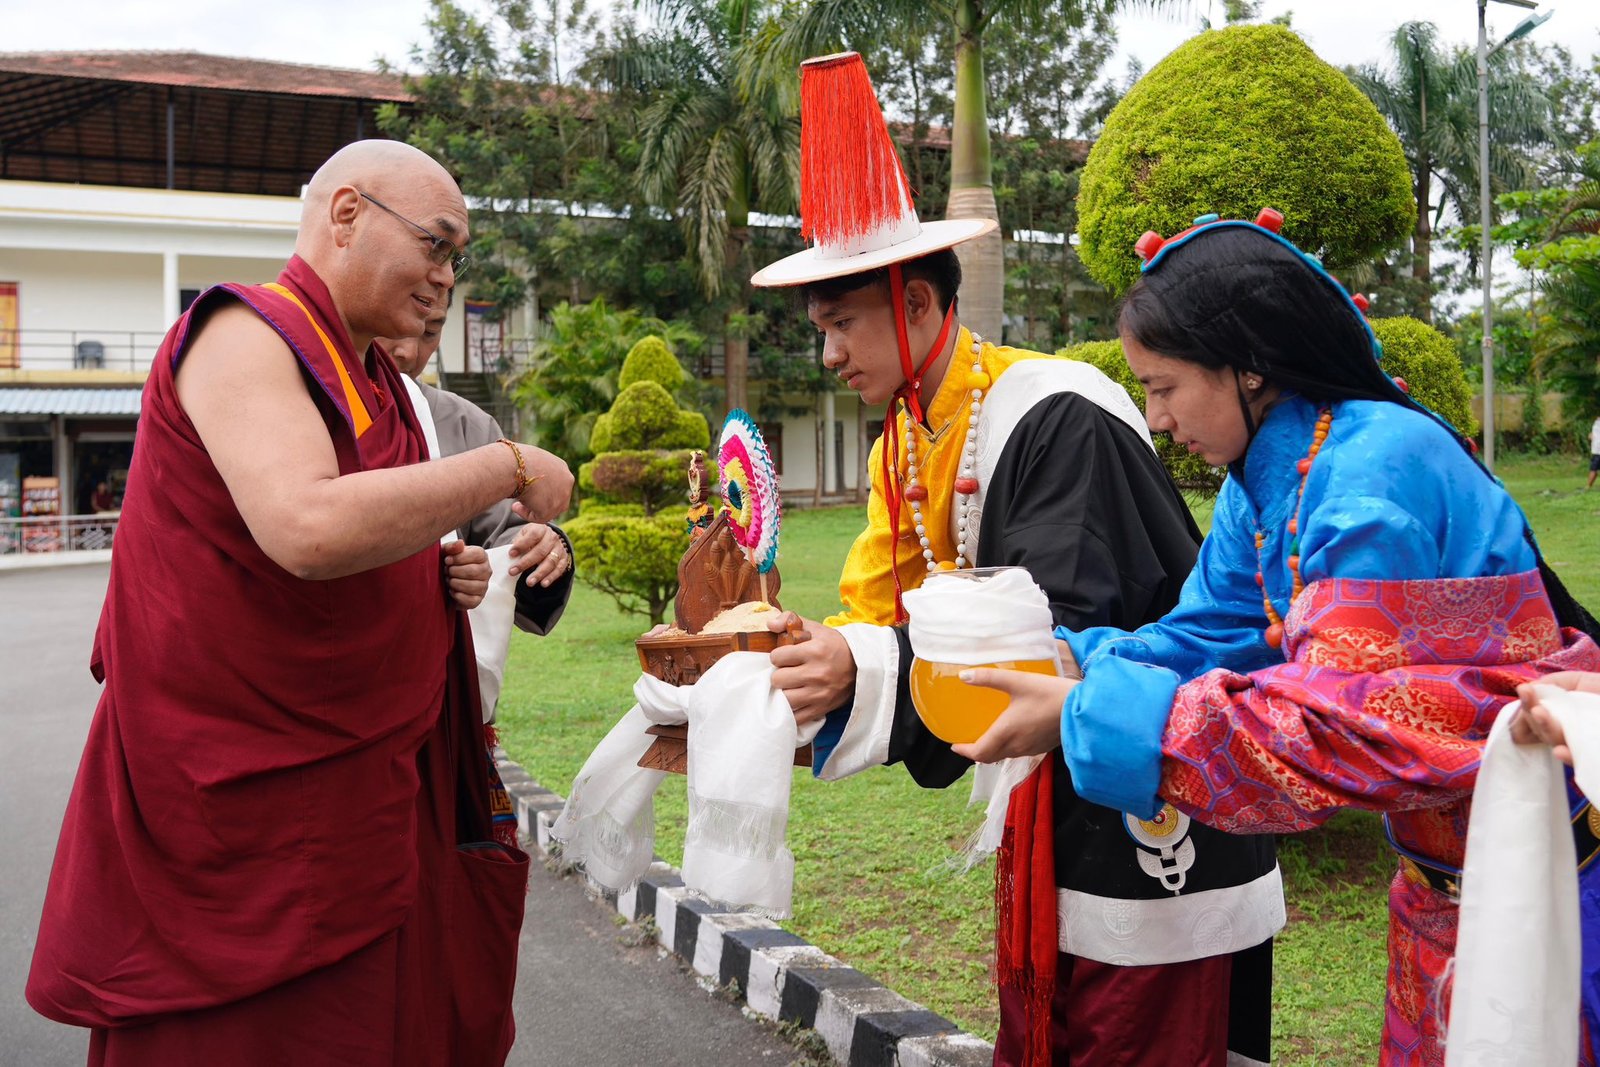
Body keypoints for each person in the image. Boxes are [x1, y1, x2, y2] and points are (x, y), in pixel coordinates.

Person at [955, 210, 1600, 1065]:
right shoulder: (1264, 484)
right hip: (1444, 887)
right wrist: (1070, 658)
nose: (1153, 418)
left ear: (1248, 368)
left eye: (1164, 386)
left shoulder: (1374, 472)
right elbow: (1204, 635)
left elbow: (1340, 734)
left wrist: (1089, 714)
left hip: (1555, 885)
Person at [754, 53, 1279, 1067]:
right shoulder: (901, 442)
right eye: (819, 329)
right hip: (1051, 784)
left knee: (1136, 1036)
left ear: (916, 306)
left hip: (1142, 785)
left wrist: (866, 670)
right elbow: (876, 611)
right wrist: (803, 673)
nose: (827, 355)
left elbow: (1057, 625)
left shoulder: (1054, 416)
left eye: (840, 324)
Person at [25, 139, 574, 1067]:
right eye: (436, 246)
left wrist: (438, 578)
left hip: (365, 802)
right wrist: (506, 463)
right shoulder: (243, 334)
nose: (446, 278)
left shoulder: (374, 384)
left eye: (455, 257)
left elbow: (369, 550)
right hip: (242, 819)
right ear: (347, 215)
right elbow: (307, 527)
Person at [1588, 414, 1600, 490]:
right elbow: (1593, 434)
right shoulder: (1596, 423)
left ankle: (1588, 486)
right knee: (1593, 469)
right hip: (1596, 450)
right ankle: (1589, 486)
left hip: (1598, 450)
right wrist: (1591, 435)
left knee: (1593, 469)